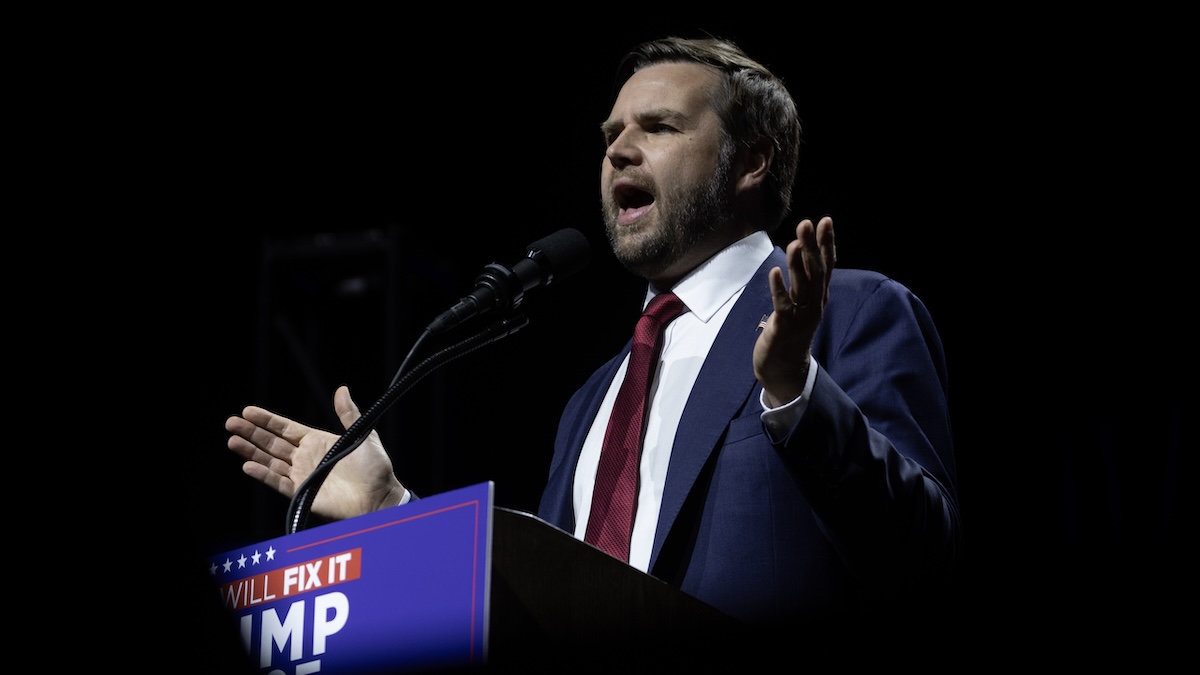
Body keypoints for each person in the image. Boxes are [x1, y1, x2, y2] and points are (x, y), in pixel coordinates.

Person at [226, 36, 960, 635]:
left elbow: (923, 559)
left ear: (752, 161)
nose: (617, 151)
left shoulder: (854, 312)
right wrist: (396, 514)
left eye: (660, 127)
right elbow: (553, 600)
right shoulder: (591, 401)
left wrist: (795, 393)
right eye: (611, 135)